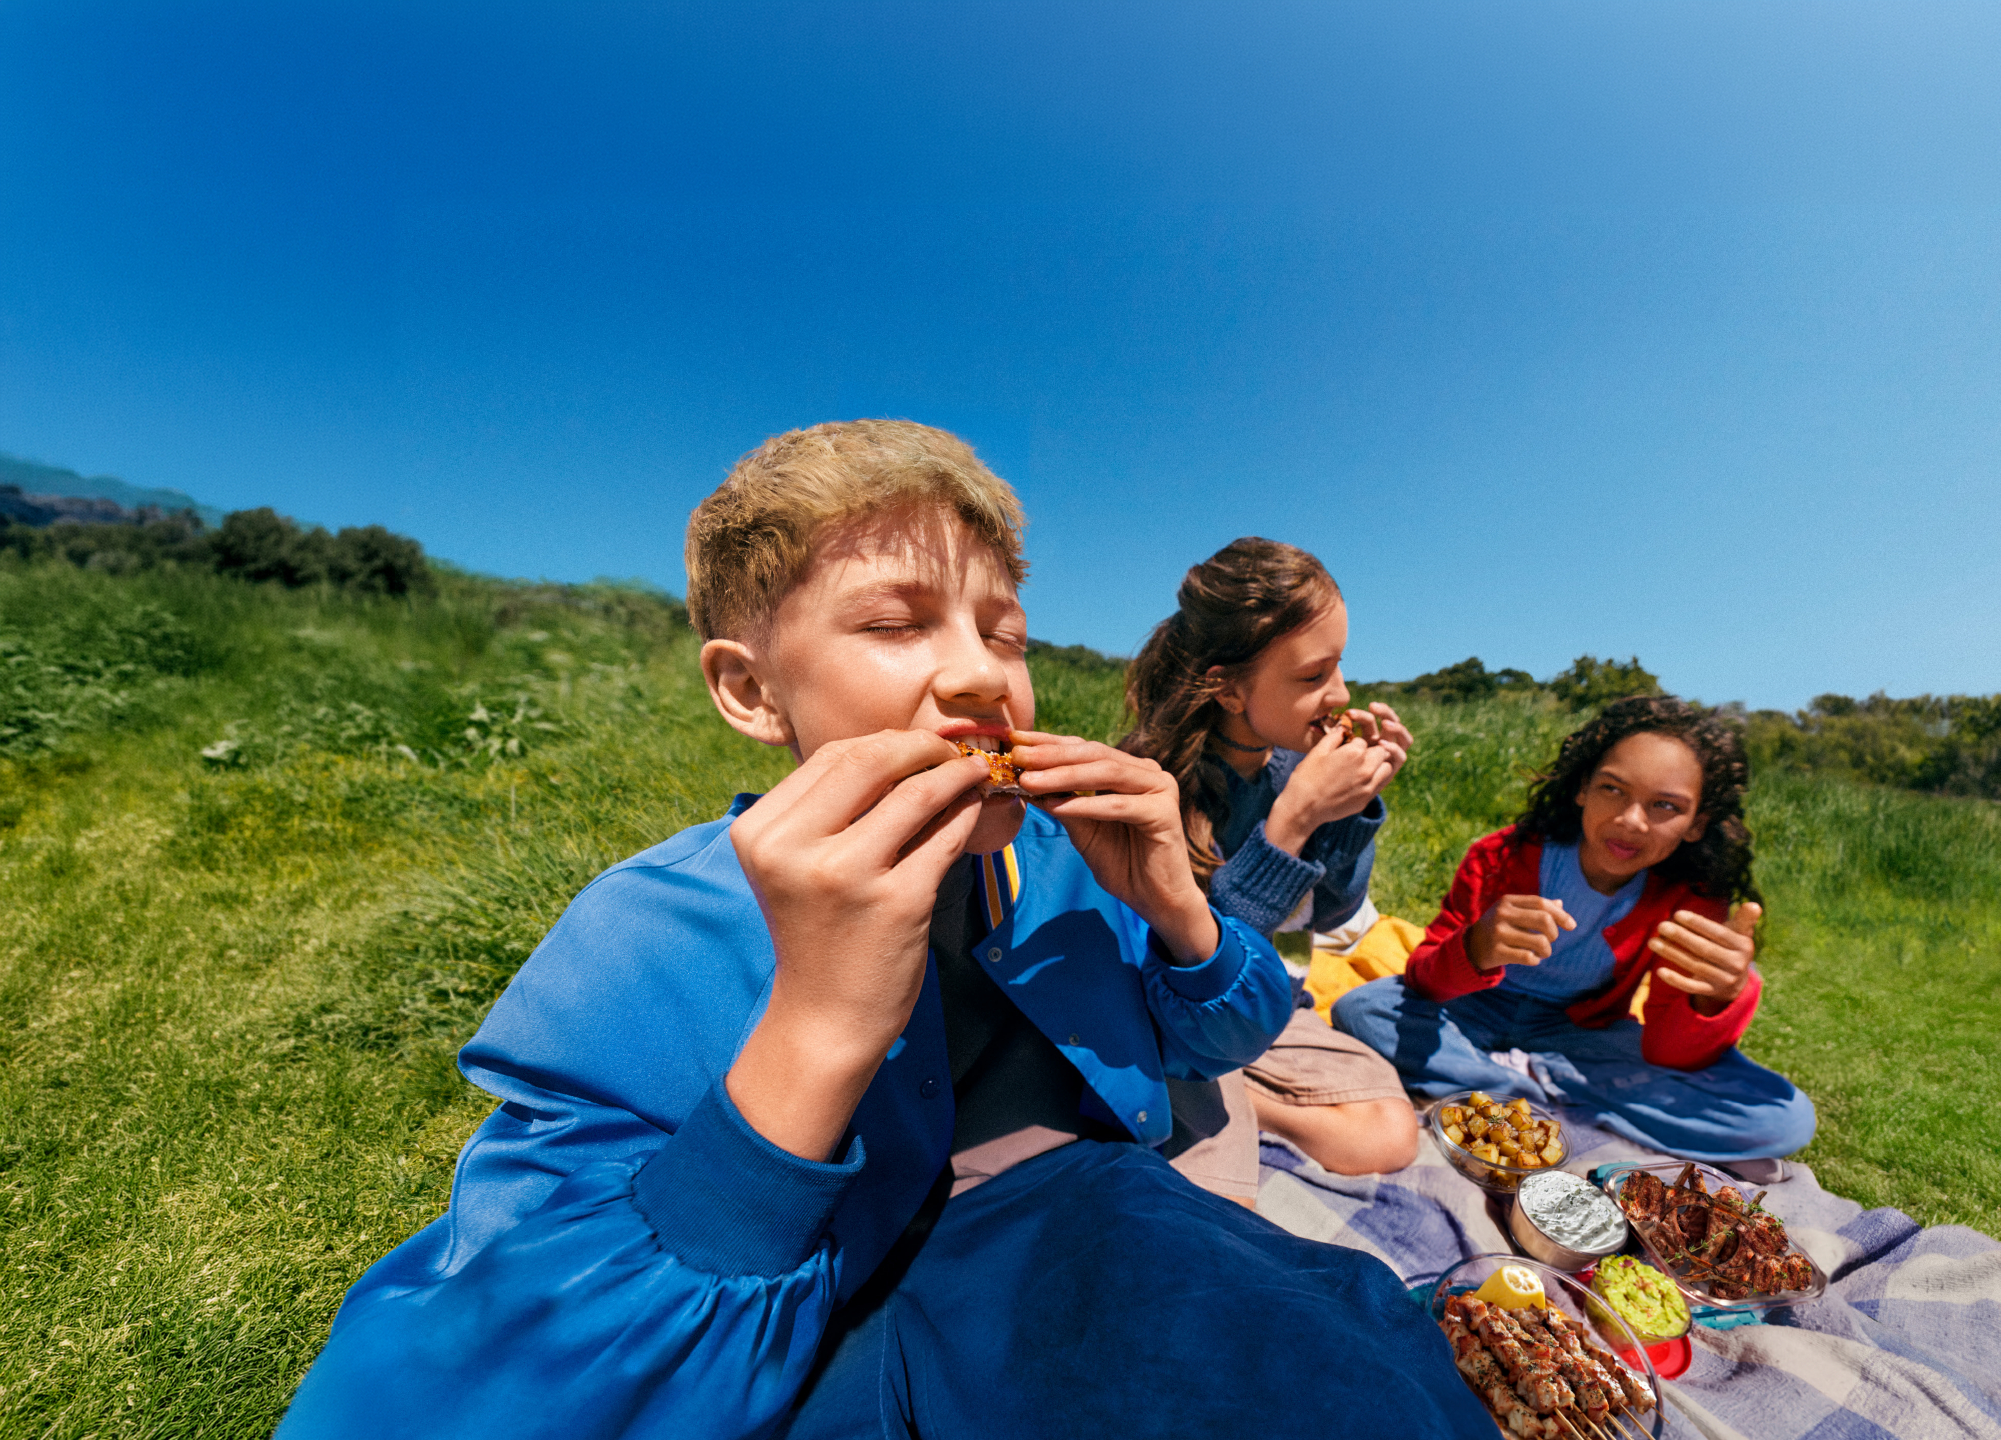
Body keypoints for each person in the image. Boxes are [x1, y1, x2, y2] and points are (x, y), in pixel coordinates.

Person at [278, 422, 1479, 1440]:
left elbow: (1215, 1040)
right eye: (898, 626)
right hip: (905, 1311)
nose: (981, 680)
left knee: (1370, 1337)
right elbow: (458, 1388)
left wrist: (1176, 910)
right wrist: (821, 1018)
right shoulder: (651, 932)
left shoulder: (1059, 854)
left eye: (1002, 632)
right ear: (753, 692)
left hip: (1110, 1202)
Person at [1332, 695, 1816, 1168]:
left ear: (1696, 824)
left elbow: (1667, 1050)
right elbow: (1423, 978)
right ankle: (1548, 1100)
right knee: (1362, 1008)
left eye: (1665, 805)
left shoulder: (1690, 900)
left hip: (1577, 1034)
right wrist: (1474, 948)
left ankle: (1516, 1084)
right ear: (1582, 788)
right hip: (1468, 1013)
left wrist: (1718, 999)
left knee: (1786, 1118)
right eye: (1612, 789)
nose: (1630, 820)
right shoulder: (1499, 857)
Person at [1121, 538, 1421, 1182]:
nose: (1340, 695)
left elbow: (1330, 912)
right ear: (1228, 690)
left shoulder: (1293, 771)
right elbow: (1188, 970)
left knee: (1394, 1134)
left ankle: (1254, 1108)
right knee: (1212, 1192)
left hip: (1277, 1013)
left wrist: (1348, 816)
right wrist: (1289, 828)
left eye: (1340, 668)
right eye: (1313, 677)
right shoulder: (1152, 788)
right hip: (1179, 1026)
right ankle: (1212, 1109)